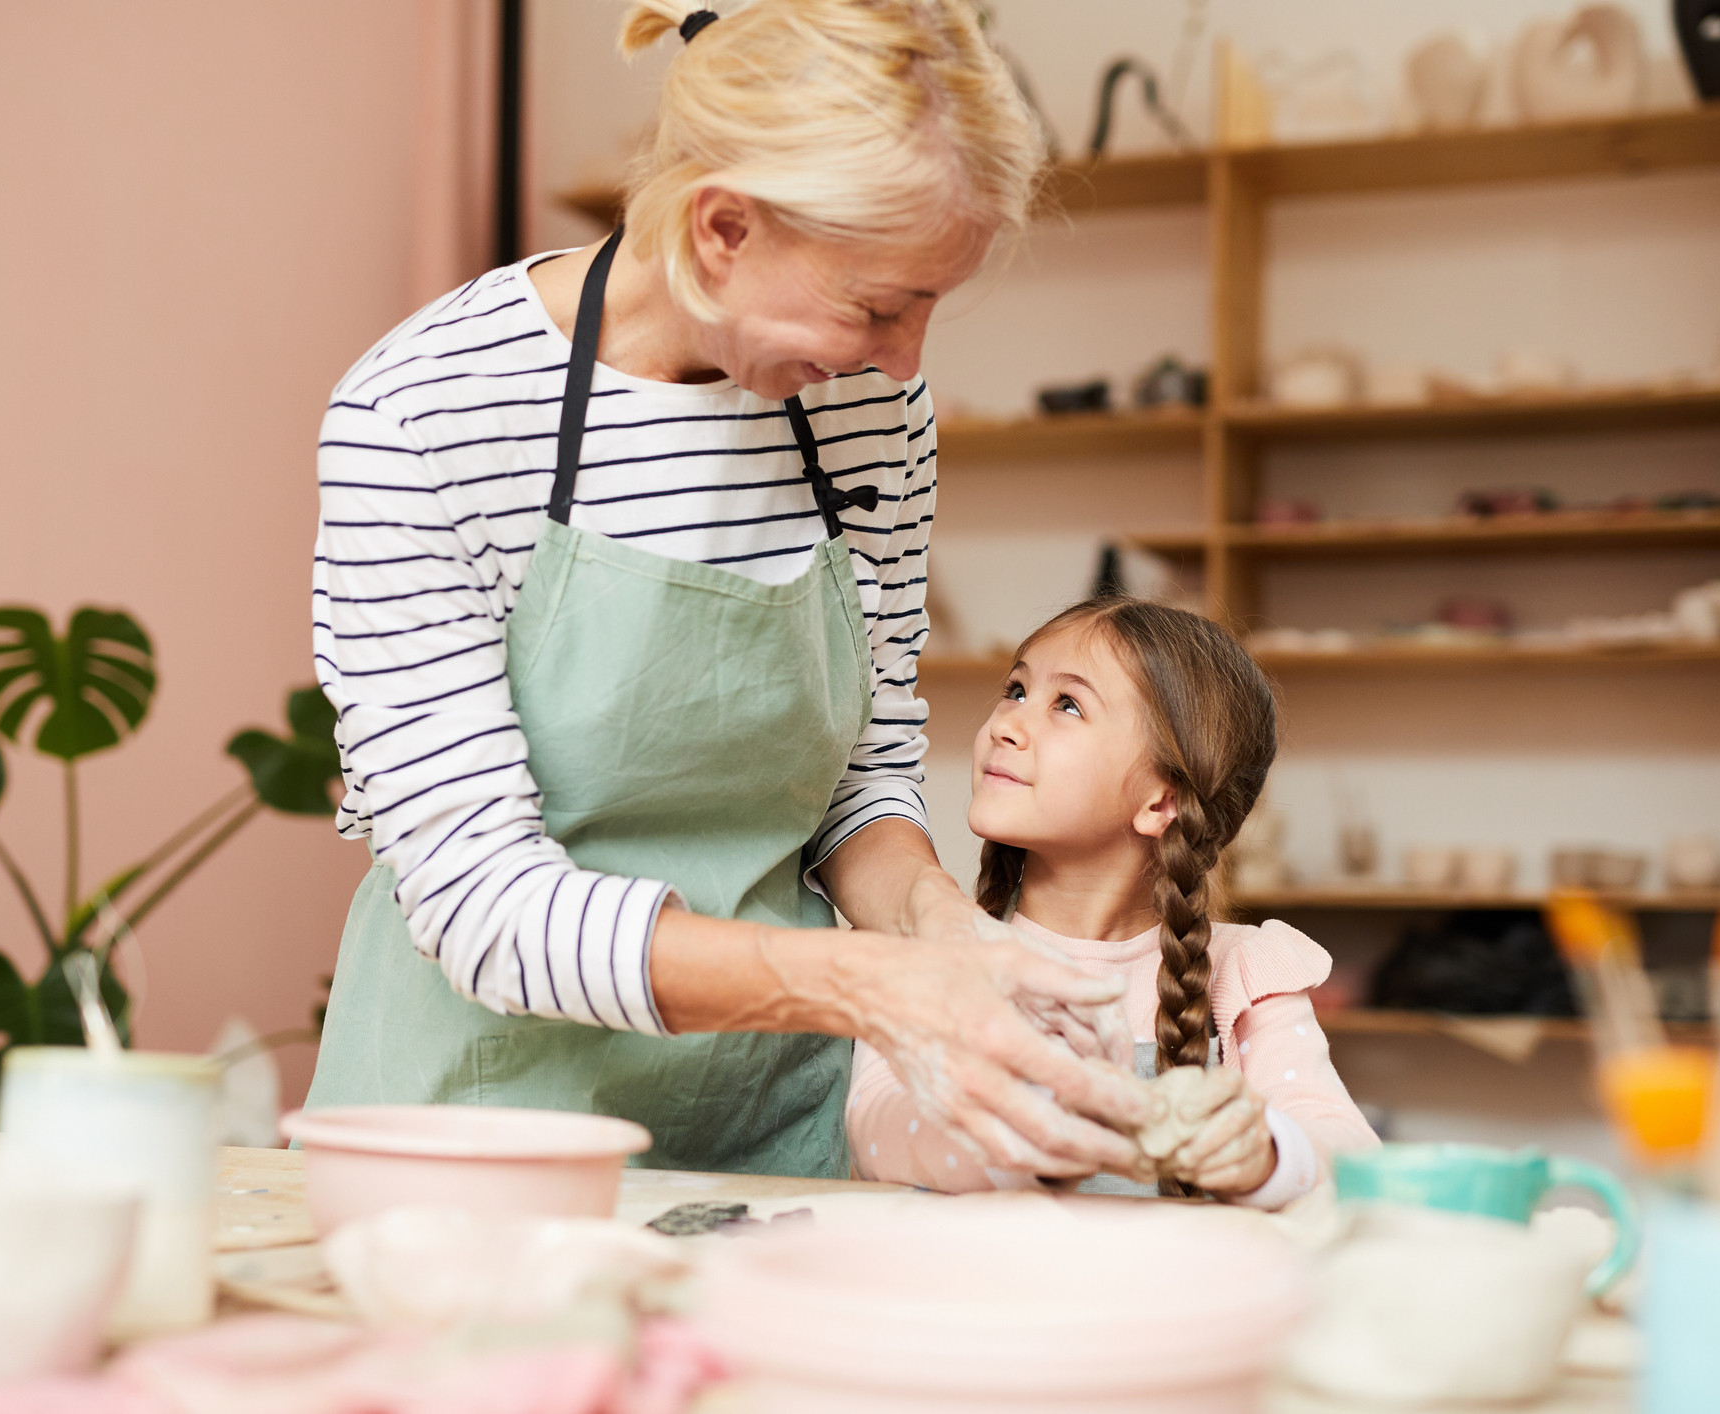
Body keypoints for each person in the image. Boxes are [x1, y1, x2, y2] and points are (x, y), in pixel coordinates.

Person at [305, 0, 1160, 1180]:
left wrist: (945, 937)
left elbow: (862, 777)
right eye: (877, 304)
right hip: (484, 1134)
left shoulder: (867, 408)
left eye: (930, 306)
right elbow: (487, 908)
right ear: (722, 230)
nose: (909, 360)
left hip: (768, 1125)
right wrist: (871, 987)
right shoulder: (423, 415)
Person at [849, 596, 1381, 1204]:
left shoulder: (1243, 974)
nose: (1004, 723)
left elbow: (1351, 1153)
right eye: (1016, 690)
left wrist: (1265, 1151)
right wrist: (1015, 1139)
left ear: (1162, 801)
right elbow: (874, 1126)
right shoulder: (926, 948)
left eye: (1067, 704)